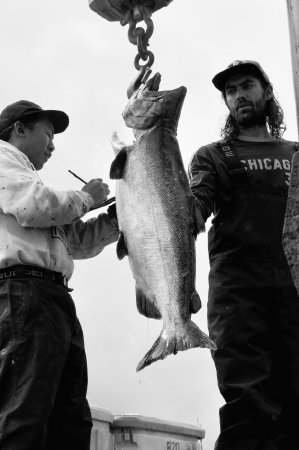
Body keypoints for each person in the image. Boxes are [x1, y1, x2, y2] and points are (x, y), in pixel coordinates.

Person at [188, 60, 299, 450]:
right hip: (238, 294)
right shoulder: (214, 155)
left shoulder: (296, 153)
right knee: (247, 405)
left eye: (247, 85)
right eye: (230, 91)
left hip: (293, 292)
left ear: (266, 92)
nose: (238, 95)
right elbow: (195, 208)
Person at [0, 100, 119, 450]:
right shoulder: (3, 160)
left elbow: (75, 242)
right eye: (48, 134)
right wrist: (85, 197)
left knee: (69, 418)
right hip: (23, 294)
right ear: (19, 129)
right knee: (24, 412)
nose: (53, 145)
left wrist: (116, 219)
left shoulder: (26, 177)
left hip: (51, 300)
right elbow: (34, 205)